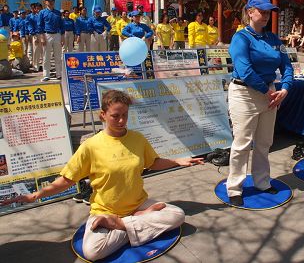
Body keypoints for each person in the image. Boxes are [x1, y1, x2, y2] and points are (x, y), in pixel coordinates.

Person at [0, 90, 203, 261]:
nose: (122, 120)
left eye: (125, 115)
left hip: (138, 203)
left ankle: (125, 224)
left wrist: (178, 161)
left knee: (177, 215)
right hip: (105, 210)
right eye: (116, 116)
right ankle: (136, 223)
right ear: (103, 115)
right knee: (92, 251)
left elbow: (153, 163)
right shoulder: (90, 147)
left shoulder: (137, 139)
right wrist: (35, 195)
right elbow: (67, 180)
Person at [226, 0, 294, 206]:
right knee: (242, 143)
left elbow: (287, 66)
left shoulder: (273, 39)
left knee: (264, 142)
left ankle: (262, 181)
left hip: (270, 93)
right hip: (245, 94)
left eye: (268, 13)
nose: (266, 16)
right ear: (250, 12)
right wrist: (268, 91)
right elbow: (244, 70)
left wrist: (285, 88)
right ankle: (235, 187)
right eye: (262, 12)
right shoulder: (241, 37)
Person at [38, 0, 64, 82]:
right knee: (46, 56)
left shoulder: (58, 13)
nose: (50, 2)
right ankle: (46, 75)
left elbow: (61, 26)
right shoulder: (42, 13)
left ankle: (59, 74)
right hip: (47, 35)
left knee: (58, 55)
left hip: (57, 35)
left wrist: (62, 37)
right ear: (45, 2)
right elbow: (40, 25)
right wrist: (42, 37)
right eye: (48, 1)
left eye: (52, 0)